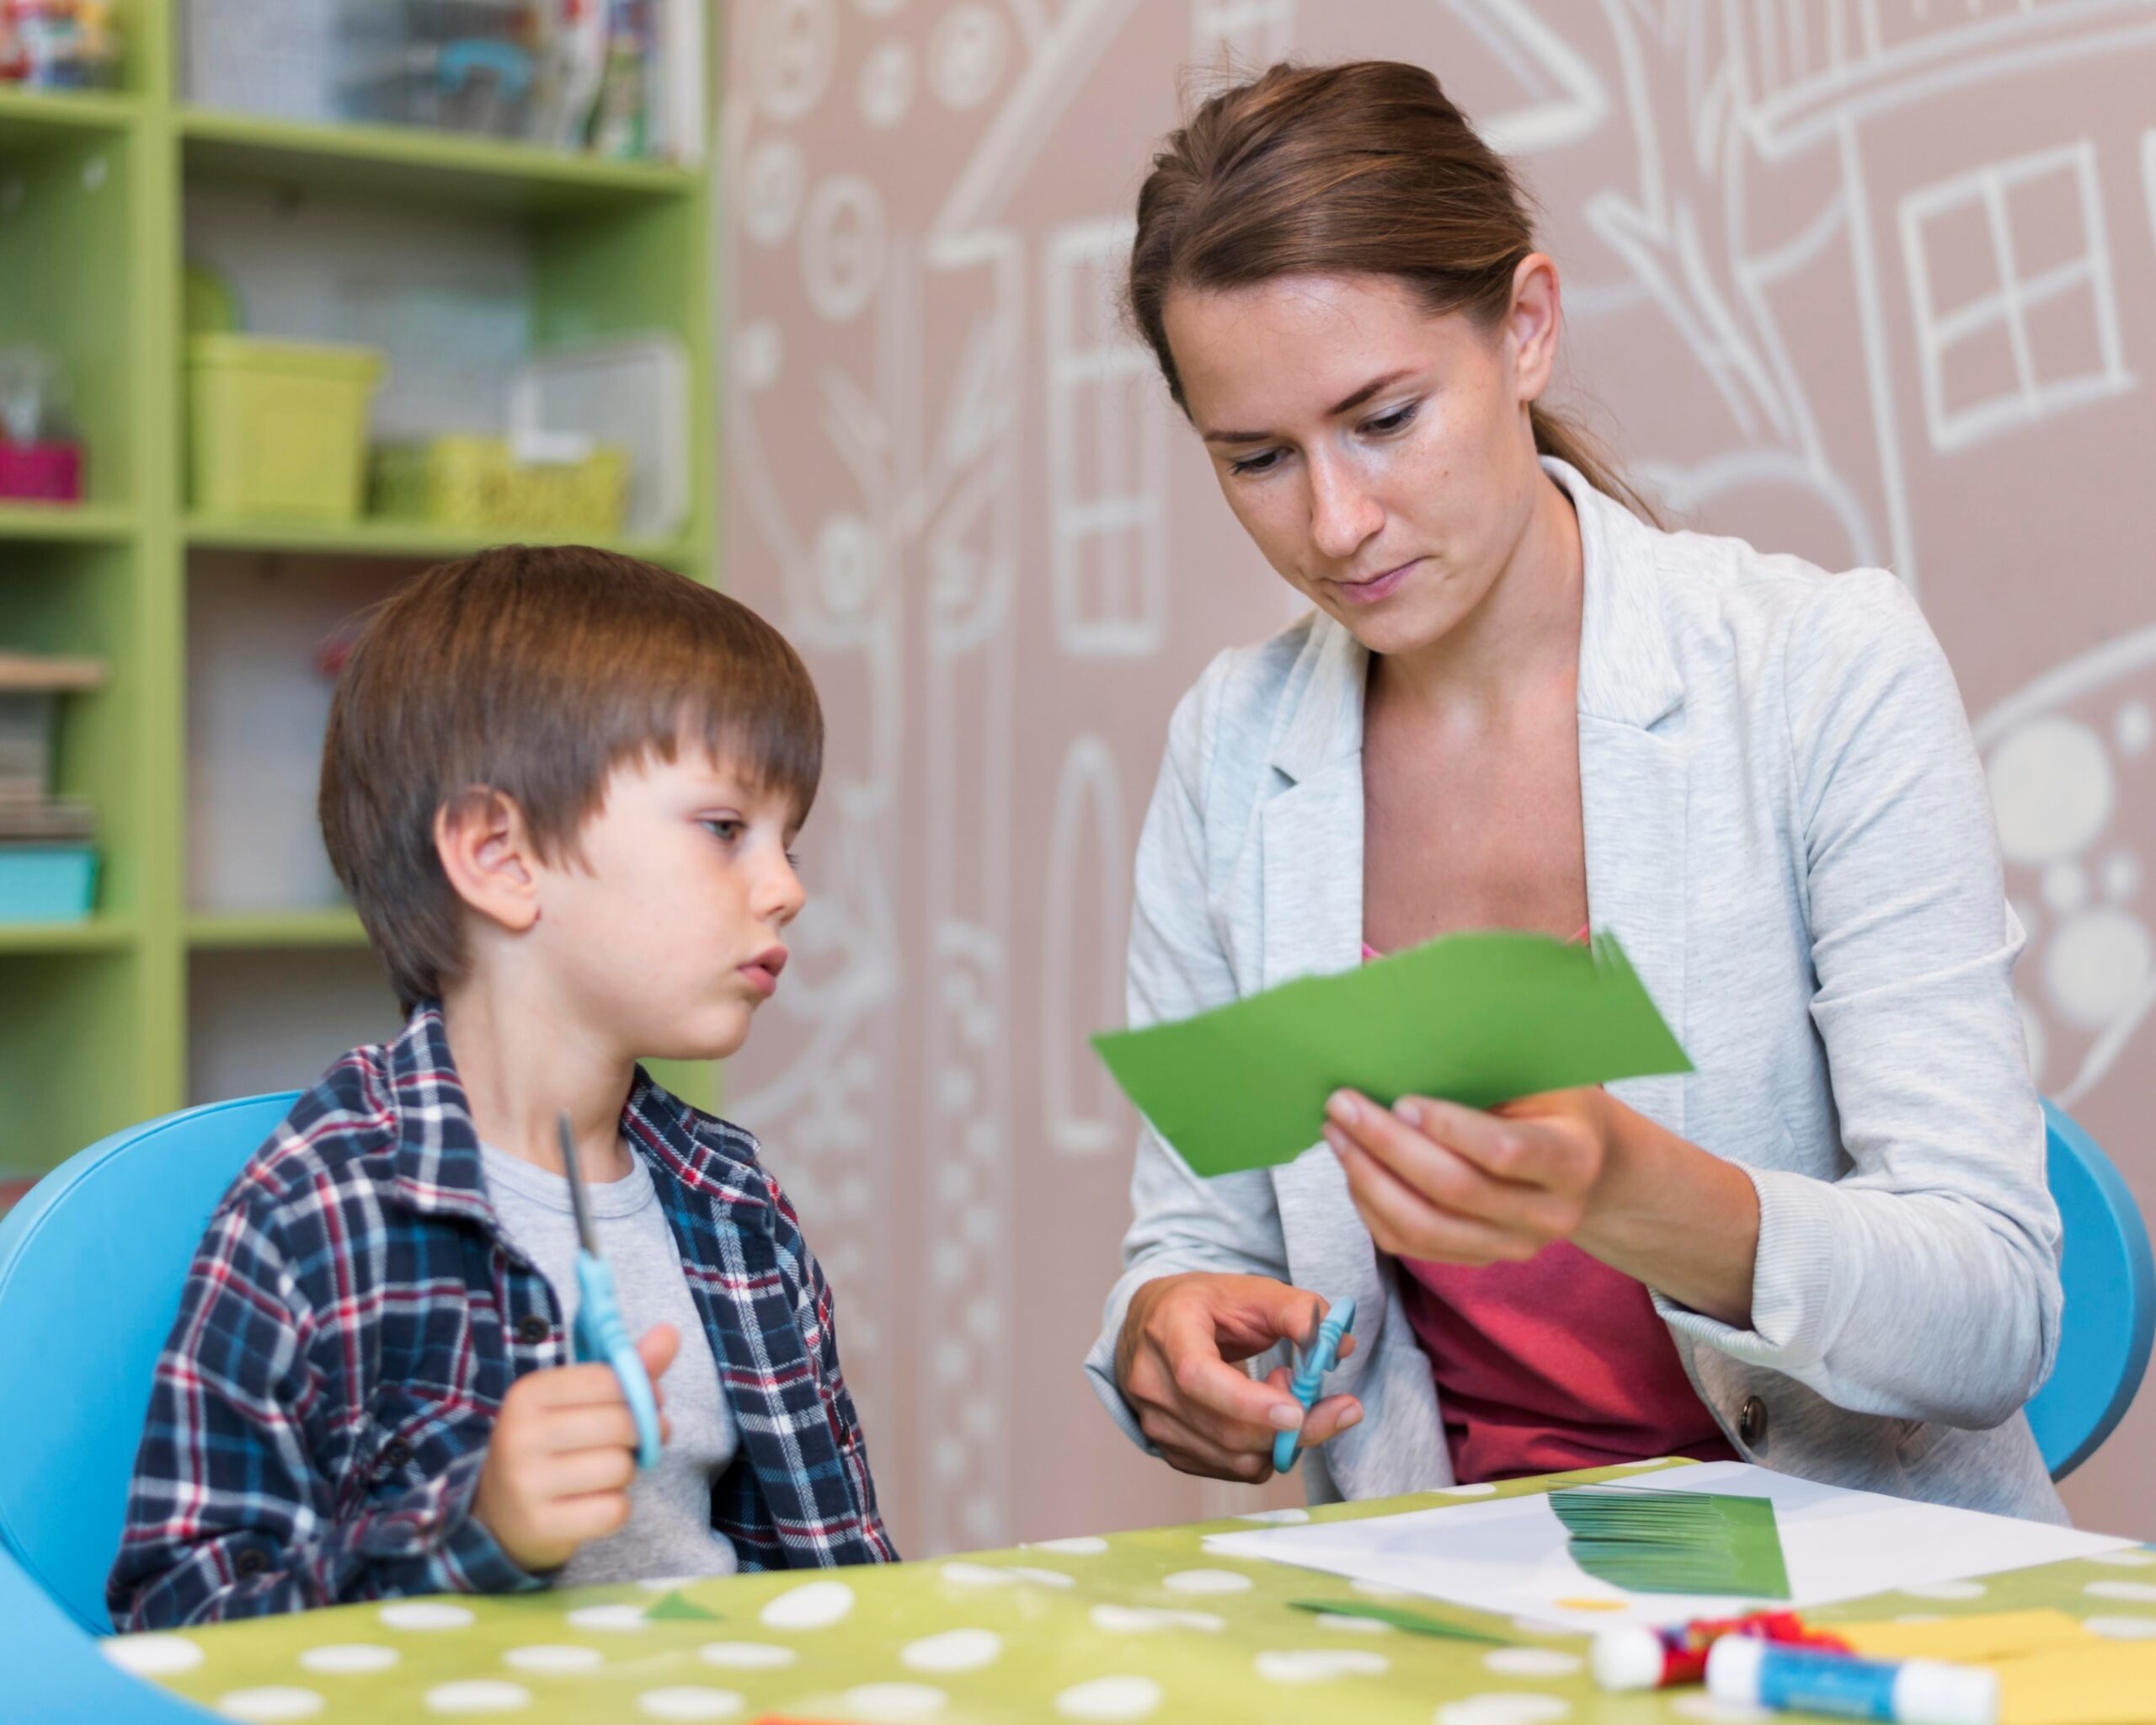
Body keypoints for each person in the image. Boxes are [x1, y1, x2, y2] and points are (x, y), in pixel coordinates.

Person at [1082, 61, 2065, 1522]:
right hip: (1446, 1589)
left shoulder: (1820, 672)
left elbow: (1994, 1307)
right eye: (1258, 458)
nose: (1337, 521)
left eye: (1385, 418)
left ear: (1525, 329)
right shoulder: (1233, 748)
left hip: (1852, 1591)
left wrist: (1636, 1192)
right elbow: (1196, 1231)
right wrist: (1166, 1326)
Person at [111, 545, 894, 1628]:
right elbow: (179, 1619)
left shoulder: (733, 1201)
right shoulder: (323, 1209)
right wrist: (472, 1530)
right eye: (725, 829)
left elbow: (832, 1571)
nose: (786, 888)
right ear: (499, 855)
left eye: (788, 840)